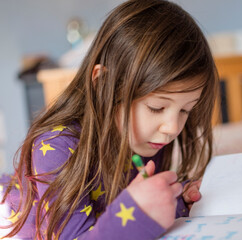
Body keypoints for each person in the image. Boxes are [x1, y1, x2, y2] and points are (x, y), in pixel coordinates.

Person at [0, 0, 218, 239]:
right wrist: (139, 212)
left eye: (185, 110)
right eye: (156, 108)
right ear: (104, 85)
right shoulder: (56, 147)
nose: (172, 128)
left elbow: (115, 210)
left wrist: (177, 200)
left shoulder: (148, 139)